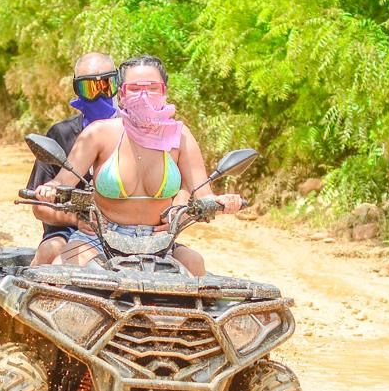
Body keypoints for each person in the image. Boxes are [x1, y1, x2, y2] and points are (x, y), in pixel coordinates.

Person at [34, 55, 243, 275]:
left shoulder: (181, 136)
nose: (144, 95)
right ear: (122, 93)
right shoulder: (98, 133)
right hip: (99, 238)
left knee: (195, 263)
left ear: (164, 91)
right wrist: (50, 189)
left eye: (152, 88)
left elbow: (203, 193)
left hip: (159, 243)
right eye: (134, 88)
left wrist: (223, 201)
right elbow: (62, 182)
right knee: (60, 271)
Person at [25, 51, 119, 265]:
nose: (99, 96)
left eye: (105, 86)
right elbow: (39, 205)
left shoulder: (136, 134)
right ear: (77, 90)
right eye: (89, 89)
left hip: (132, 231)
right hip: (70, 230)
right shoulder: (61, 134)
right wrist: (77, 220)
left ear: (118, 84)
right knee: (51, 250)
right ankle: (35, 296)